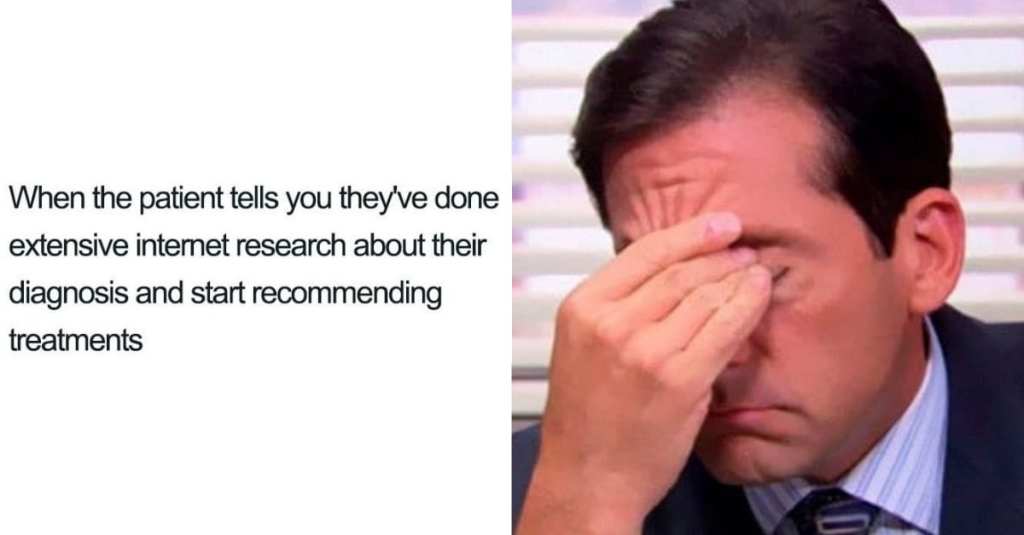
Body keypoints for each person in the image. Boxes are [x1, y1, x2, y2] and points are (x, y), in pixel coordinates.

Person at [511, 0, 1024, 533]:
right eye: (663, 282)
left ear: (926, 253)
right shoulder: (538, 498)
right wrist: (589, 502)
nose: (710, 348)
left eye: (762, 276)